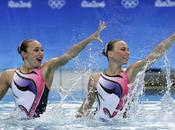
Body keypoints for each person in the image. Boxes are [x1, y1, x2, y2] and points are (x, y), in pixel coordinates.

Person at [0, 21, 106, 119]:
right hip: (15, 123)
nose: (41, 53)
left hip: (39, 125)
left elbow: (69, 55)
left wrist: (91, 38)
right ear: (24, 54)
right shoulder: (8, 75)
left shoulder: (45, 70)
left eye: (42, 50)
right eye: (36, 50)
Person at [77, 33, 175, 120]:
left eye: (128, 50)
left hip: (123, 125)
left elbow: (155, 54)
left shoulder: (130, 72)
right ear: (110, 54)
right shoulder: (95, 78)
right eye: (123, 49)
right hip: (98, 124)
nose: (128, 53)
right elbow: (86, 108)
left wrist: (173, 36)